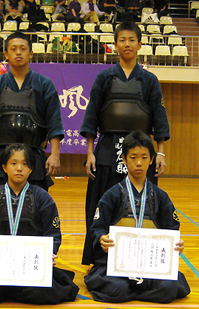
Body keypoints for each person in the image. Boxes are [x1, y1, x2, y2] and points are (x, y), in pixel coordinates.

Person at [80, 21, 170, 266]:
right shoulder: (104, 78)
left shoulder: (149, 80)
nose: (127, 44)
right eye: (122, 40)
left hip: (141, 149)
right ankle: (100, 257)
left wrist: (160, 152)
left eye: (132, 40)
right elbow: (92, 115)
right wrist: (90, 152)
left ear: (140, 44)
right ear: (115, 45)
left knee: (144, 203)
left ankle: (142, 257)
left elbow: (159, 118)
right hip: (109, 149)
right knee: (102, 203)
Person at [0, 144, 79, 306]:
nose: (19, 168)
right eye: (14, 163)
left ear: (31, 169)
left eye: (25, 164)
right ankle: (13, 290)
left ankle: (7, 291)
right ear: (4, 167)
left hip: (29, 265)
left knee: (46, 293)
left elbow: (53, 233)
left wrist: (49, 254)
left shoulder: (43, 198)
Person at [84, 131, 190, 303]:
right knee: (116, 288)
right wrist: (102, 238)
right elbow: (97, 227)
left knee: (169, 287)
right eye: (133, 157)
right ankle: (138, 291)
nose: (139, 163)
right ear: (124, 159)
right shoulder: (112, 195)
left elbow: (172, 230)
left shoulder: (161, 196)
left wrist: (177, 244)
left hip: (150, 265)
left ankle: (132, 292)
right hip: (118, 265)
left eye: (144, 157)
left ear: (151, 159)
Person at [0, 31, 64, 193]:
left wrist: (55, 154)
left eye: (23, 48)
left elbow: (54, 123)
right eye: (13, 49)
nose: (18, 52)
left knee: (34, 210)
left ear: (31, 54)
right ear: (6, 54)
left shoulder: (44, 85)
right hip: (0, 157)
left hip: (33, 157)